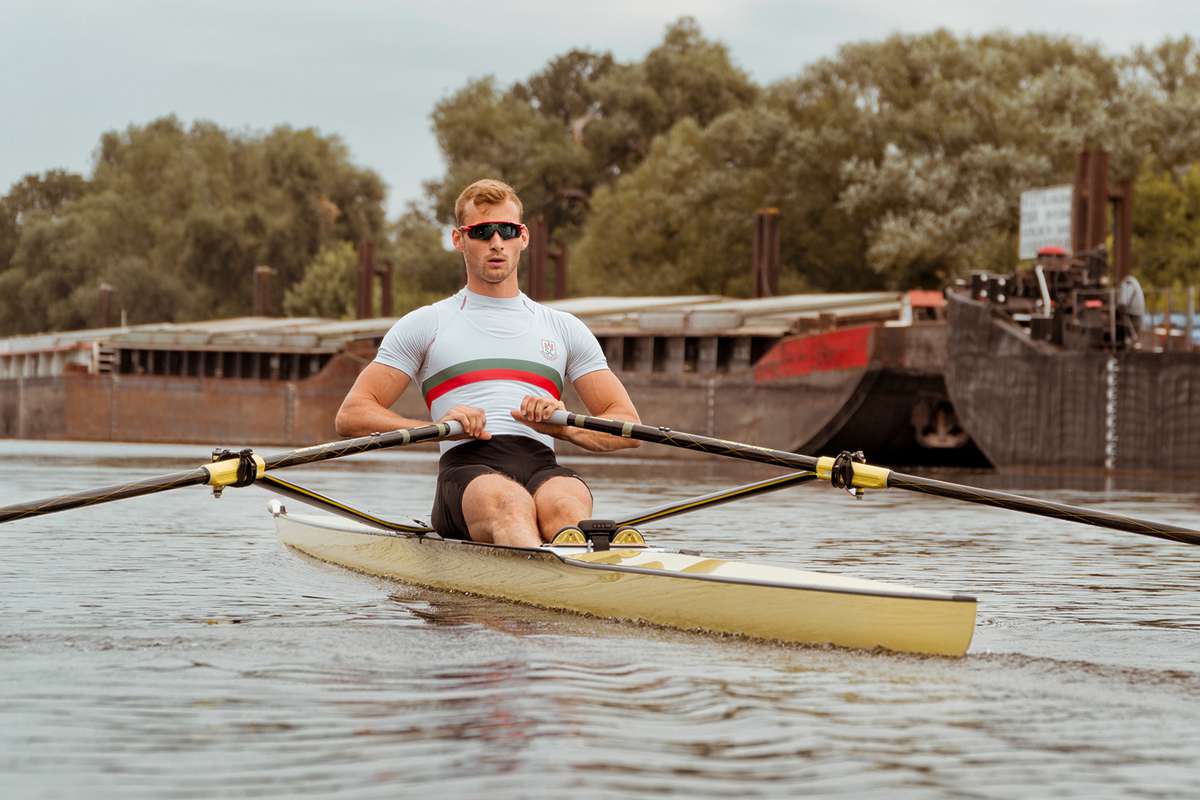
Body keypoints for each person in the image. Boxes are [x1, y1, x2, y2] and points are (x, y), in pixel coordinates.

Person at [335, 178, 640, 547]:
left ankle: (586, 571)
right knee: (511, 505)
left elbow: (627, 425)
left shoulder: (564, 327)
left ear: (523, 237)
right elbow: (352, 415)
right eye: (482, 232)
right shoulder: (426, 324)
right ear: (458, 239)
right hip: (465, 469)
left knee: (566, 506)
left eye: (507, 230)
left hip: (542, 463)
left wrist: (565, 428)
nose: (497, 242)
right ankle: (545, 582)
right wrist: (437, 426)